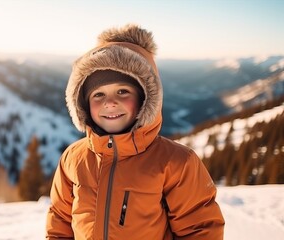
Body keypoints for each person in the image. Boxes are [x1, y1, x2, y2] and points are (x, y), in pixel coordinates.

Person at [46, 24, 225, 240]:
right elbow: (60, 221)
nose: (110, 103)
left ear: (144, 98)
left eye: (123, 91)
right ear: (83, 104)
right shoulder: (74, 158)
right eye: (99, 94)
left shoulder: (176, 162)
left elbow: (200, 229)